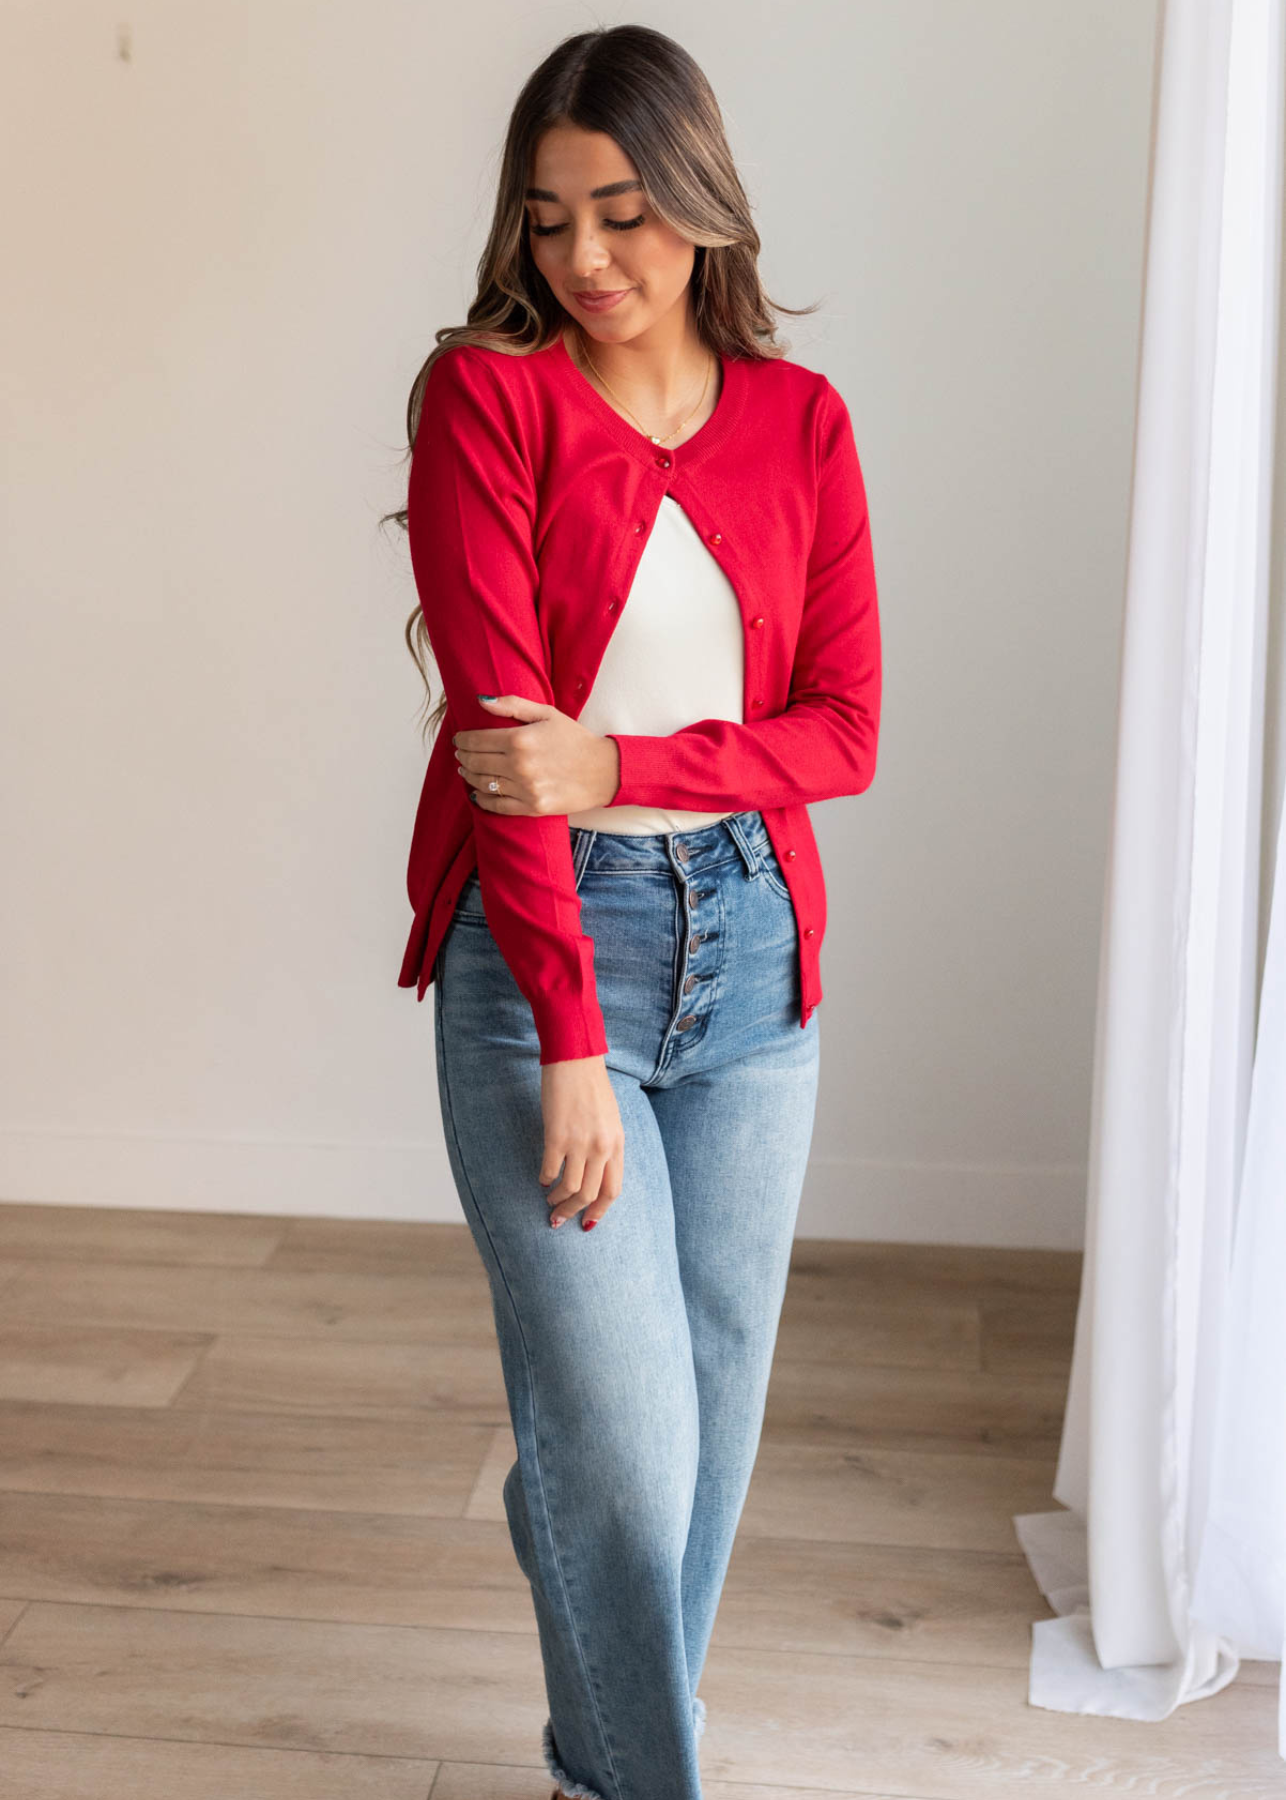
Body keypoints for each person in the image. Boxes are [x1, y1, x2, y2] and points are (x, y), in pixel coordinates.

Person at [386, 24, 881, 1800]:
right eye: (545, 222)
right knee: (623, 1443)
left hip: (755, 952)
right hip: (546, 964)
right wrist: (574, 1039)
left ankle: (598, 1684)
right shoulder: (486, 398)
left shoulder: (800, 422)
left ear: (702, 209)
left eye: (622, 215)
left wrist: (625, 765)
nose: (584, 260)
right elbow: (505, 754)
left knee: (698, 1426)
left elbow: (846, 732)